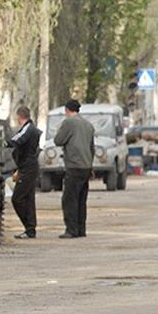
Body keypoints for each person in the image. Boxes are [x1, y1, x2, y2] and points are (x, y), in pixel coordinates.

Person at [54, 99, 95, 239]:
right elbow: (91, 148)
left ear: (67, 110)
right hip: (86, 166)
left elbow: (58, 140)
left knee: (69, 199)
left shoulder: (69, 123)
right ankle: (81, 229)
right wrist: (90, 165)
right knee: (81, 200)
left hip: (74, 166)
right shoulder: (88, 125)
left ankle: (71, 230)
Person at [7, 105, 42, 239]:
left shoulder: (28, 128)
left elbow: (16, 140)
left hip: (28, 167)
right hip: (27, 167)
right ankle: (30, 229)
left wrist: (5, 142)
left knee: (17, 198)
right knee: (28, 198)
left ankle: (29, 226)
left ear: (19, 116)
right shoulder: (30, 128)